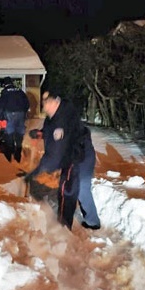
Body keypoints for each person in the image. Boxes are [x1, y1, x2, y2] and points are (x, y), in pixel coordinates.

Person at [25, 90, 100, 230]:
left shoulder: (62, 121)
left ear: (56, 101)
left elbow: (55, 155)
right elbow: (51, 131)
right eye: (43, 101)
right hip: (79, 153)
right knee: (83, 188)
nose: (44, 105)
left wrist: (37, 171)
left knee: (67, 190)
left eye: (47, 102)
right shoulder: (56, 114)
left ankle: (63, 227)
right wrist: (41, 133)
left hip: (77, 156)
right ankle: (93, 221)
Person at [0, 77, 30, 162]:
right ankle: (18, 153)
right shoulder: (20, 91)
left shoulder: (5, 93)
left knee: (9, 133)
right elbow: (27, 103)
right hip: (21, 114)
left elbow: (0, 107)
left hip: (10, 114)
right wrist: (23, 112)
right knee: (19, 133)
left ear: (4, 84)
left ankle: (10, 156)